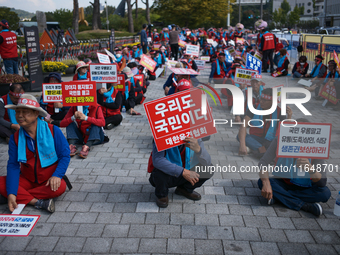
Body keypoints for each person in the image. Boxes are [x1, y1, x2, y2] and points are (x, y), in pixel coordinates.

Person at [0, 94, 70, 213]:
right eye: (18, 112)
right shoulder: (15, 138)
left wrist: (57, 175)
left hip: (48, 179)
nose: (20, 116)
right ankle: (37, 202)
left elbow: (65, 156)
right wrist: (12, 193)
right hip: (27, 178)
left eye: (25, 112)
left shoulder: (53, 130)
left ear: (36, 114)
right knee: (3, 183)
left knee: (60, 187)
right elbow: (13, 165)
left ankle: (20, 196)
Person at [148, 79, 213, 208]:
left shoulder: (195, 124)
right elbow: (158, 160)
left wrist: (199, 149)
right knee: (160, 171)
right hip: (167, 173)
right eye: (181, 95)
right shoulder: (163, 124)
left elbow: (207, 161)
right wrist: (183, 172)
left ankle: (184, 189)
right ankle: (162, 194)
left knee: (209, 168)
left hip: (185, 170)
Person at [258, 119, 331, 217]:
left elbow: (322, 182)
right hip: (283, 182)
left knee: (325, 193)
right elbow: (263, 162)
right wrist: (266, 183)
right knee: (261, 182)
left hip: (307, 186)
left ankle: (280, 197)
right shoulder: (280, 139)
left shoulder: (316, 146)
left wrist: (310, 169)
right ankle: (305, 206)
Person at [237, 88, 293, 158]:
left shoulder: (280, 112)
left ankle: (255, 150)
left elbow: (286, 132)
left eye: (265, 100)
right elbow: (243, 126)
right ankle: (260, 149)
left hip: (271, 140)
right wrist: (242, 145)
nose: (261, 102)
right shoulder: (254, 107)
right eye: (261, 99)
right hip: (256, 138)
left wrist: (289, 117)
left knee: (278, 144)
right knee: (240, 136)